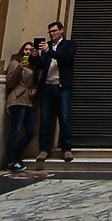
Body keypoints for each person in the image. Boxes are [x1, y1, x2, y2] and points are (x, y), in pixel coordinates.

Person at [35, 20, 76, 163]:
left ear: (61, 31)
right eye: (50, 32)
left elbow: (65, 58)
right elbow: (41, 65)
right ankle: (44, 149)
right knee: (45, 119)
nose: (52, 34)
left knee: (64, 118)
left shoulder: (69, 45)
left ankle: (67, 149)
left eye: (54, 31)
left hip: (62, 86)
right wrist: (36, 56)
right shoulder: (47, 46)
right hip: (47, 86)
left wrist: (49, 51)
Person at [5, 41, 42, 171]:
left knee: (31, 131)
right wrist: (19, 68)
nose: (28, 52)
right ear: (22, 50)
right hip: (17, 99)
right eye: (26, 49)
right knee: (15, 131)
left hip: (28, 102)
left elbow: (34, 81)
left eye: (30, 50)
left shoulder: (33, 66)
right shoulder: (15, 63)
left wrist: (35, 87)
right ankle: (10, 161)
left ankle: (15, 157)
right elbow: (9, 83)